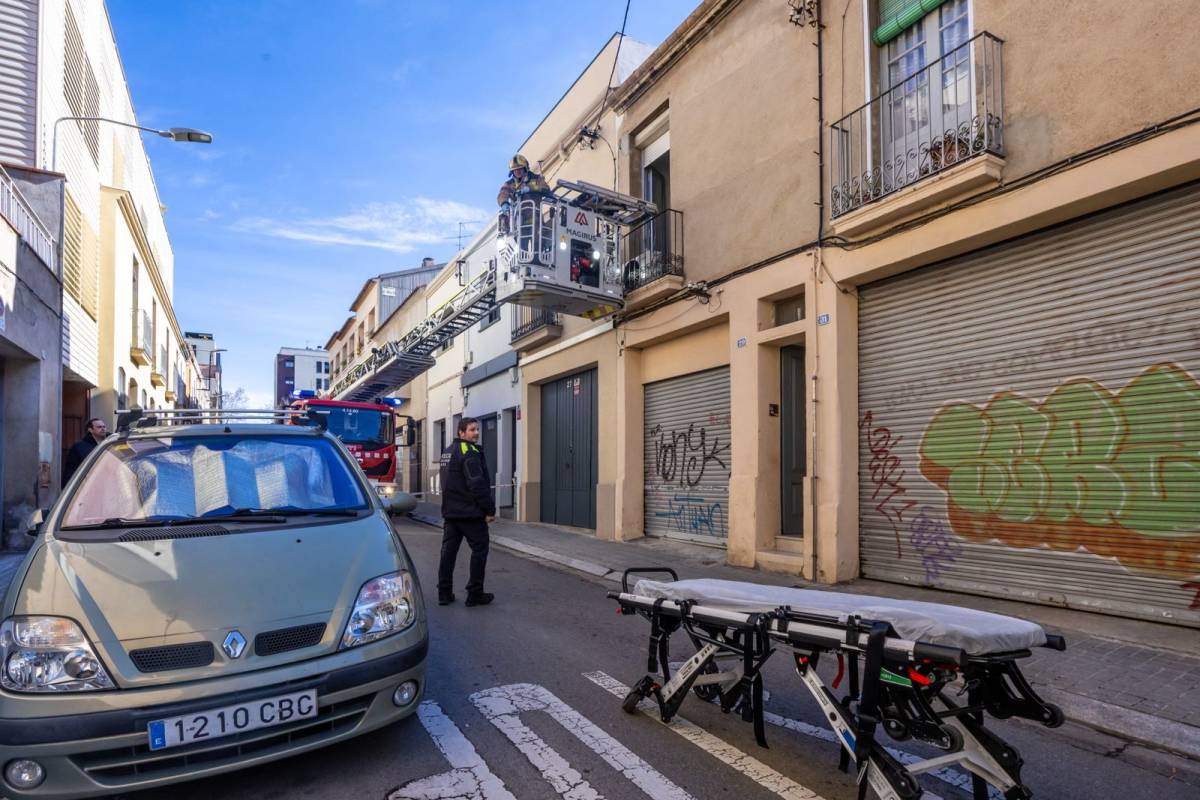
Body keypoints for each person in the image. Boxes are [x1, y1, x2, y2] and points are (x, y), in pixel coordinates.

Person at [436, 417, 496, 607]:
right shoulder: (469, 452)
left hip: (451, 513)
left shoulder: (447, 452)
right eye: (472, 430)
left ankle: (444, 593)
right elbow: (477, 484)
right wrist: (489, 509)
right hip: (470, 513)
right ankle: (475, 594)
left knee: (448, 553)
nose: (476, 433)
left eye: (477, 429)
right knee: (480, 550)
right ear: (461, 433)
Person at [63, 418, 107, 484]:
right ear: (90, 430)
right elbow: (70, 470)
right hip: (87, 483)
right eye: (99, 427)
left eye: (104, 427)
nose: (103, 429)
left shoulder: (109, 443)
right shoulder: (79, 447)